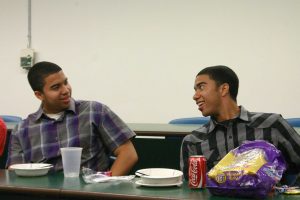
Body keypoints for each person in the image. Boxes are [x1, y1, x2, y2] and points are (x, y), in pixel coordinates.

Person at [7, 61, 138, 176]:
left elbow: (128, 154)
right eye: (56, 87)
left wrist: (105, 186)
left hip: (90, 193)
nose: (65, 90)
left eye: (65, 82)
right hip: (44, 193)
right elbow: (14, 171)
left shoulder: (95, 111)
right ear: (39, 95)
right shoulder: (22, 129)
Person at [180, 65, 300, 185]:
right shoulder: (193, 141)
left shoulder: (272, 125)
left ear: (224, 89)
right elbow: (191, 190)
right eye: (195, 90)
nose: (195, 96)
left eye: (201, 87)